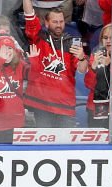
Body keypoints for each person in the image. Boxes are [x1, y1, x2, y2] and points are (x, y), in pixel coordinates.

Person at [22, 0, 89, 128]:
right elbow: (29, 14)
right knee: (44, 144)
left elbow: (81, 69)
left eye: (61, 22)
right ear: (46, 23)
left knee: (67, 146)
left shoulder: (72, 43)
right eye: (55, 22)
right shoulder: (38, 37)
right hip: (42, 105)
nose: (59, 25)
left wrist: (81, 58)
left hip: (65, 105)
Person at [0, 36, 26, 143]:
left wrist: (35, 61)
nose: (7, 51)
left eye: (10, 48)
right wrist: (0, 60)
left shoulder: (20, 65)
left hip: (16, 123)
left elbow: (35, 76)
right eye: (3, 48)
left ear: (14, 51)